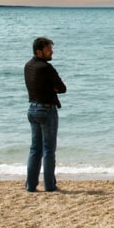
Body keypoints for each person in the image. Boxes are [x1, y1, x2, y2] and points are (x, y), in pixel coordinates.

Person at [24, 37, 67, 193]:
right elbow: (62, 88)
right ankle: (49, 185)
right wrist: (52, 88)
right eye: (49, 50)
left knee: (35, 148)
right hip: (46, 109)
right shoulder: (46, 68)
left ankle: (31, 185)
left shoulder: (28, 66)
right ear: (39, 51)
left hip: (32, 108)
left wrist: (50, 87)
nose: (52, 52)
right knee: (49, 149)